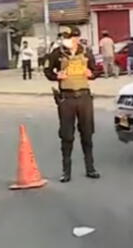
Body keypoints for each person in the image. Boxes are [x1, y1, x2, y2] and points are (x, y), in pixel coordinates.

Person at [44, 26, 100, 183]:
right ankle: (66, 171)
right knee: (67, 136)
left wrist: (92, 74)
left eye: (71, 37)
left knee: (87, 134)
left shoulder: (86, 52)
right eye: (66, 37)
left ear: (77, 37)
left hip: (84, 97)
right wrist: (57, 75)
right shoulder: (57, 53)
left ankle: (90, 168)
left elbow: (96, 71)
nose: (69, 40)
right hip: (66, 99)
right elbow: (47, 71)